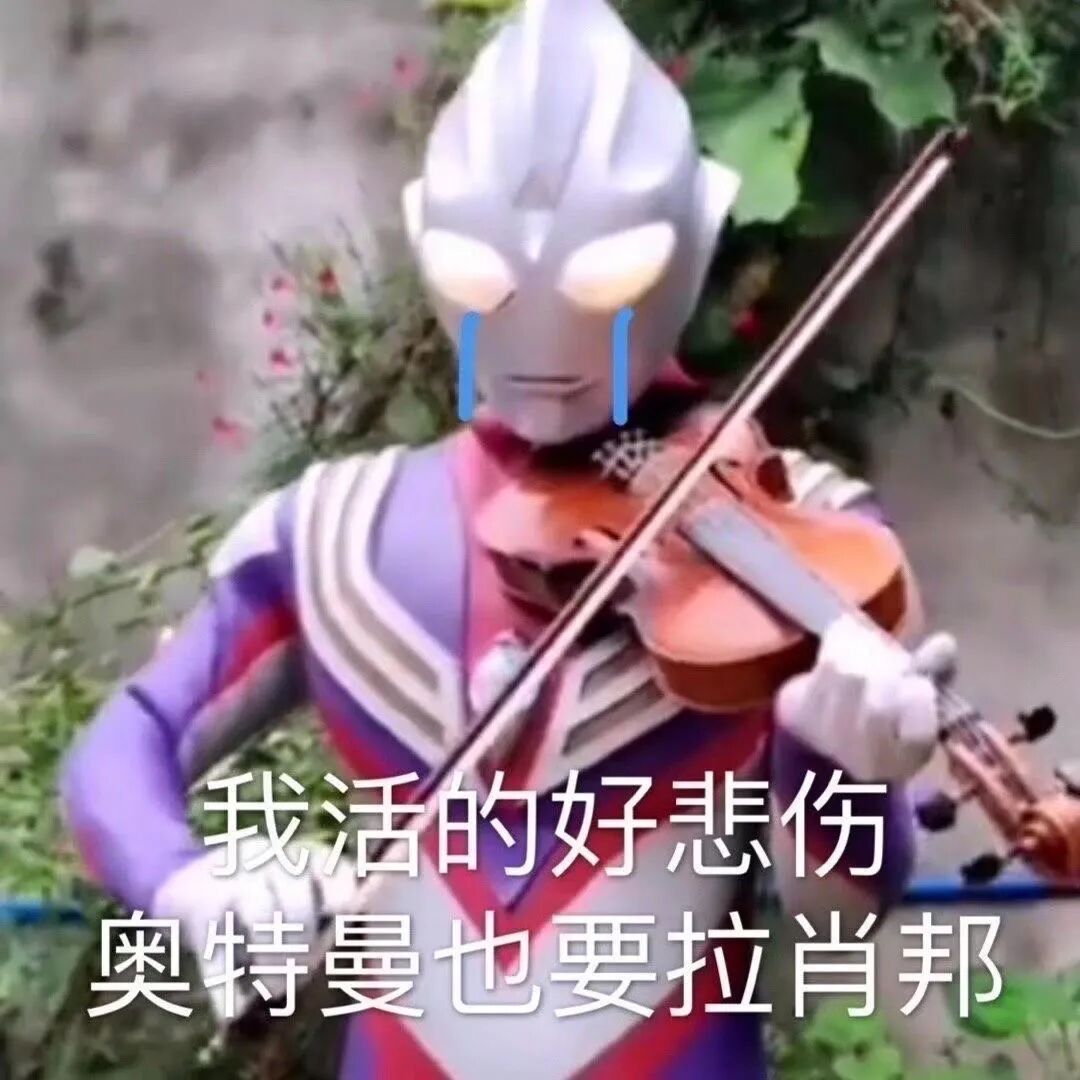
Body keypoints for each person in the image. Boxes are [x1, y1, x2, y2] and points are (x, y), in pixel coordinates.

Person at [61, 0, 956, 1075]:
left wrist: (840, 773)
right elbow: (125, 743)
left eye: (608, 278)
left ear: (701, 230)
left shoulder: (802, 538)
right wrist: (191, 883)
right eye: (481, 280)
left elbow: (838, 912)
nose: (540, 336)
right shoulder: (330, 532)